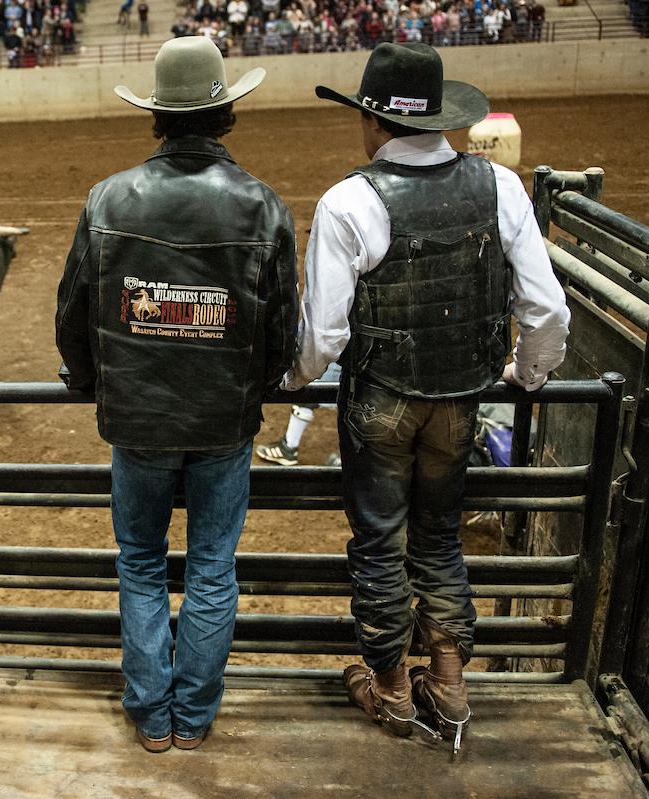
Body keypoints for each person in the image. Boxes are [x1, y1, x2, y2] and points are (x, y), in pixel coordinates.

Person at [285, 43, 569, 752]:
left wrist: (292, 380)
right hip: (461, 397)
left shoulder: (348, 201)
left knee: (380, 539)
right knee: (439, 533)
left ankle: (388, 685)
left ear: (373, 121)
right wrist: (528, 376)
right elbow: (546, 309)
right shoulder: (500, 188)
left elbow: (321, 335)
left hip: (381, 400)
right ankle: (447, 678)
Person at [56, 37, 297, 753]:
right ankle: (193, 717)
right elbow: (280, 330)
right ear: (225, 115)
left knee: (139, 558)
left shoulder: (108, 199)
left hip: (138, 419)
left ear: (157, 118)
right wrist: (251, 391)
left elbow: (73, 313)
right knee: (213, 564)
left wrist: (93, 382)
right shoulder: (262, 206)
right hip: (223, 418)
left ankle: (151, 714)